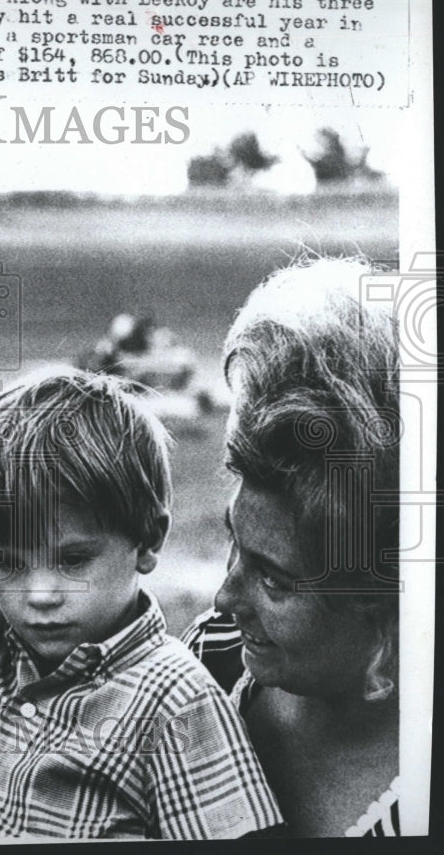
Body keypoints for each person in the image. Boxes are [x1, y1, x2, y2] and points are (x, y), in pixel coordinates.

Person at [0, 369, 284, 838]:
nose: (39, 594)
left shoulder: (174, 698)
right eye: (8, 563)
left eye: (73, 559)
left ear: (147, 540)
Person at [182, 257, 401, 837]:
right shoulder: (209, 661)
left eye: (274, 579)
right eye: (234, 542)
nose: (224, 599)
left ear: (386, 621)